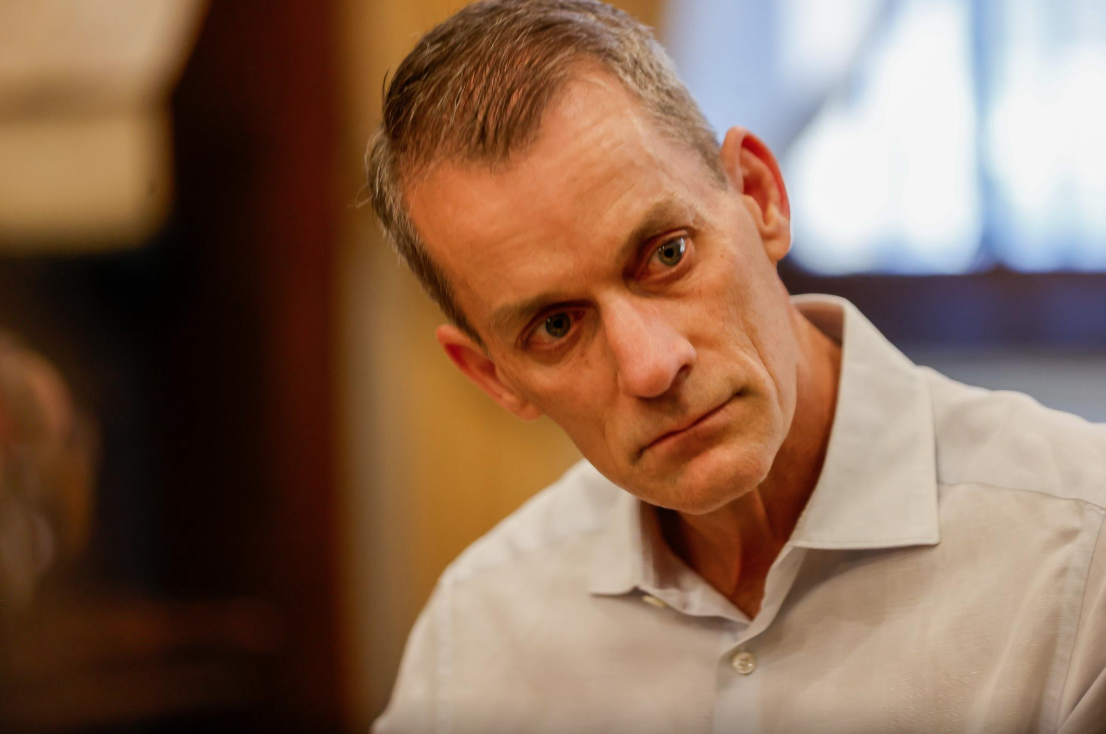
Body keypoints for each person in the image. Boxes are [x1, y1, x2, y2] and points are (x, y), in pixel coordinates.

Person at [366, 1, 1106, 731]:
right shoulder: (476, 639)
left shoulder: (1080, 552)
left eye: (668, 254)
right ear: (495, 378)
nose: (652, 366)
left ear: (759, 195)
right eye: (555, 326)